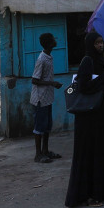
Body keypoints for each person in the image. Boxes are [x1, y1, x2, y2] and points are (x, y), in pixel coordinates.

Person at [65, 32, 104, 208]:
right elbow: (84, 86)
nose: (100, 45)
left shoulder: (100, 60)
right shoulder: (87, 61)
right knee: (92, 153)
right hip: (90, 118)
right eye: (97, 43)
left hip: (101, 114)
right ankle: (91, 195)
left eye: (101, 42)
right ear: (91, 44)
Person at [30, 32, 63, 163]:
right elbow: (34, 80)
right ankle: (38, 154)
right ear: (49, 43)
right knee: (39, 127)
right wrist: (52, 83)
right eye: (53, 39)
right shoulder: (41, 59)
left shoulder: (49, 57)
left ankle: (45, 151)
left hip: (47, 97)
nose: (55, 40)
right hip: (40, 98)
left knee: (47, 126)